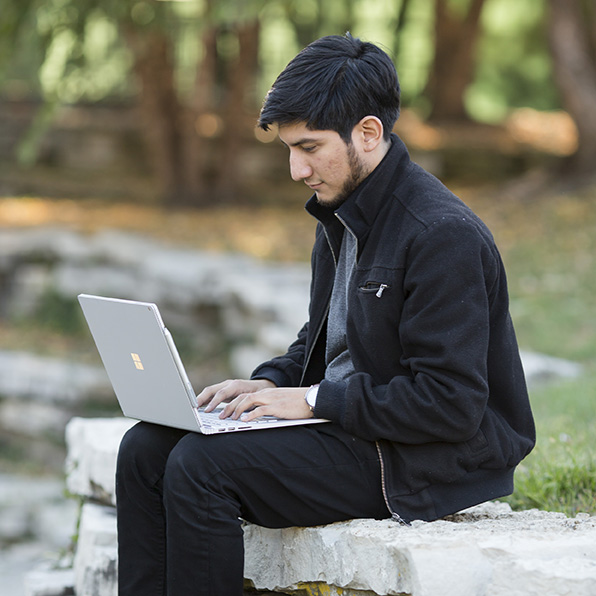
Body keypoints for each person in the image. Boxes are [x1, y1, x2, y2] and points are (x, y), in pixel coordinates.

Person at [116, 33, 535, 595]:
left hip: (419, 460)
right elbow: (324, 343)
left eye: (309, 147)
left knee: (201, 467)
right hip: (353, 425)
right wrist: (267, 383)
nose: (295, 169)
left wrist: (312, 399)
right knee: (144, 448)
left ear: (368, 132)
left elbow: (451, 405)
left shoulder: (442, 236)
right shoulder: (340, 217)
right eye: (290, 149)